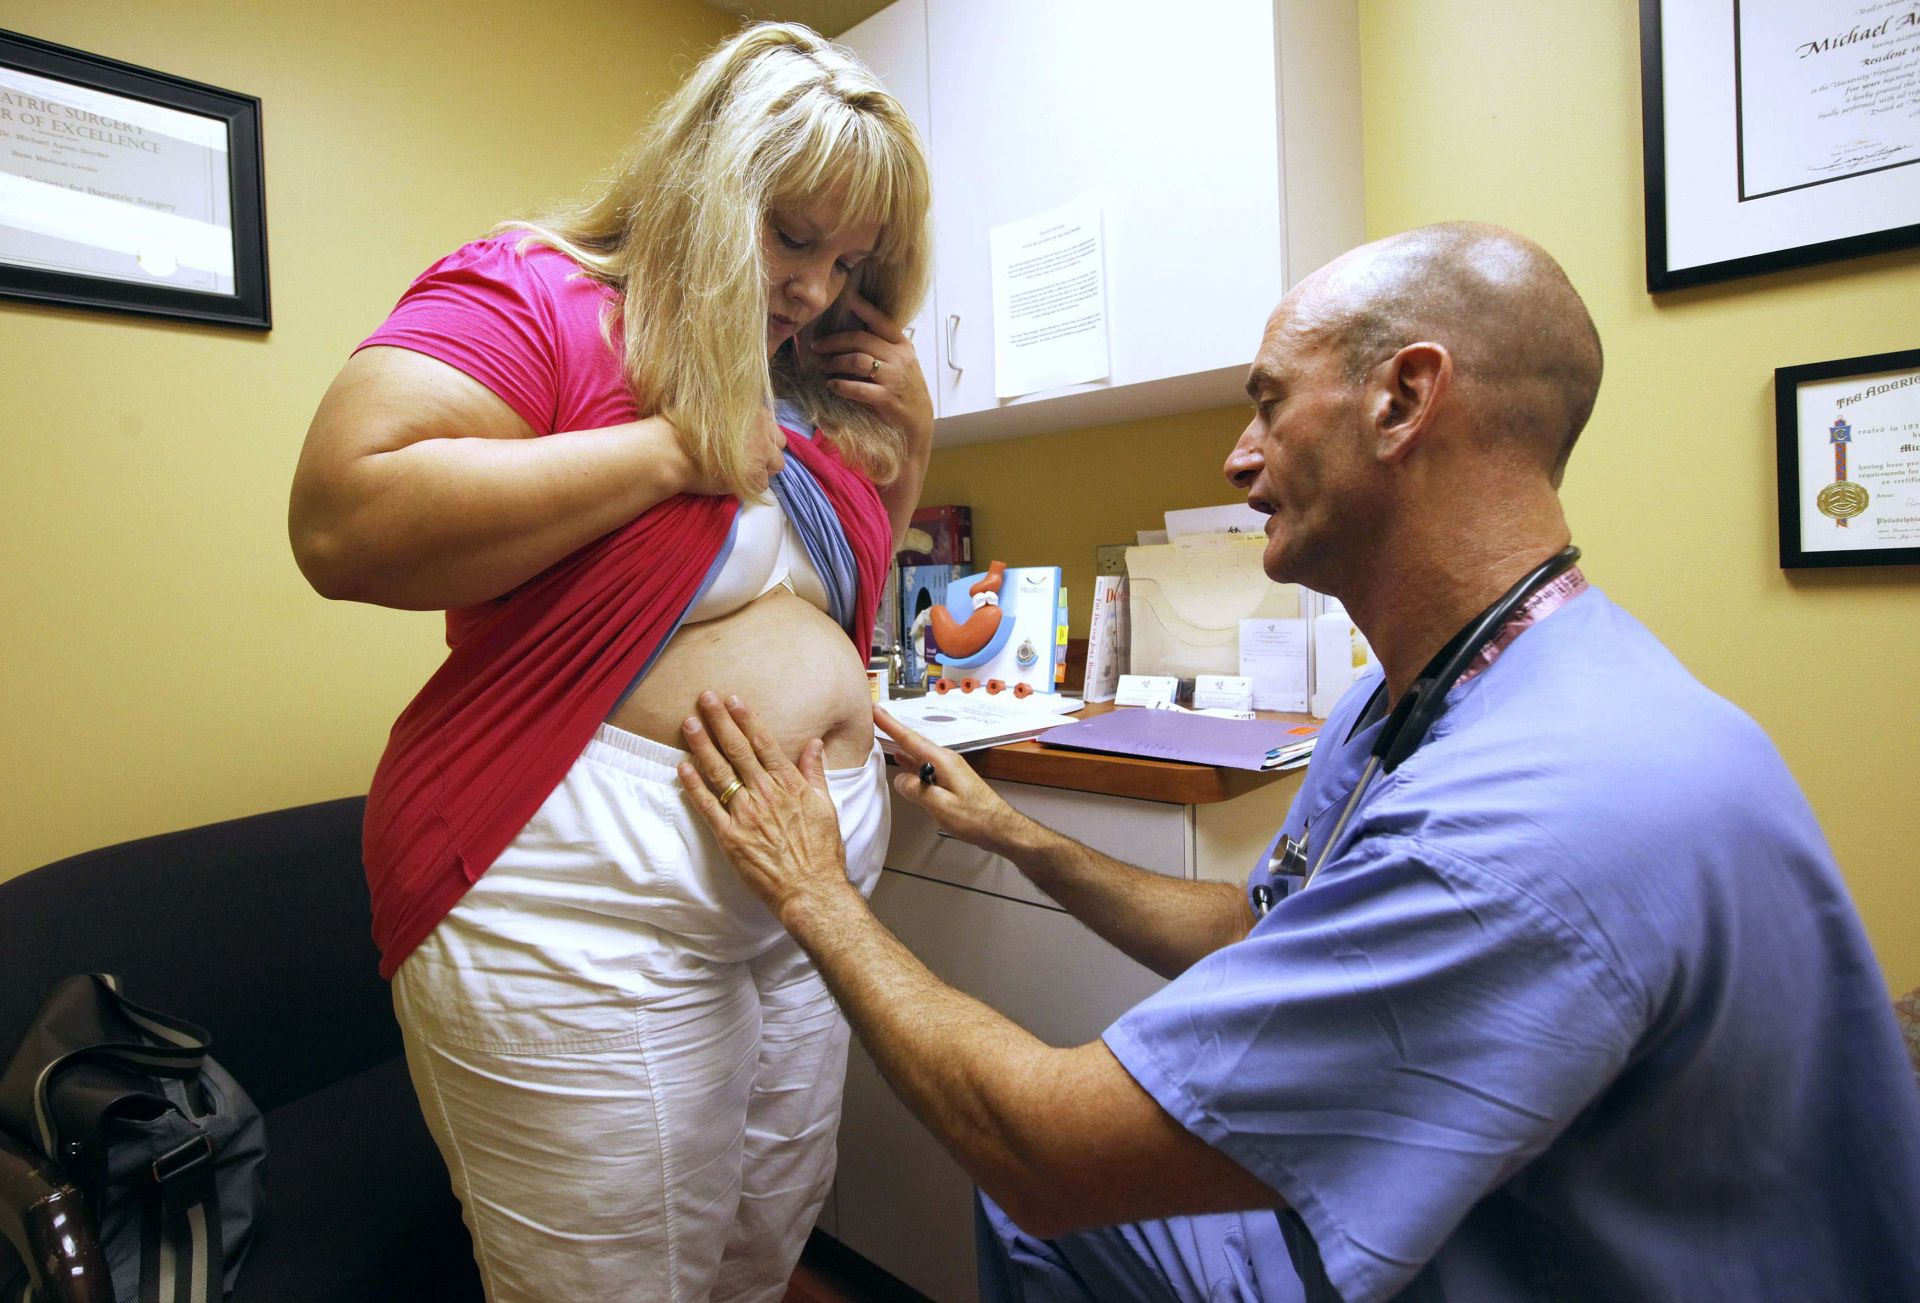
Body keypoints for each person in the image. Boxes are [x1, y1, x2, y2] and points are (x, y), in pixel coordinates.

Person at [673, 223, 1920, 1301]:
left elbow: (1045, 1150)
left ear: (1403, 398)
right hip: (1494, 1205)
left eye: (1268, 401)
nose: (1236, 455)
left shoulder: (1540, 821)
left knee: (1054, 1202)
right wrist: (1021, 838)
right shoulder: (1442, 684)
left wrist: (814, 890)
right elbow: (1262, 931)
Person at [287, 23, 932, 1302]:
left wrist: (907, 446)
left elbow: (831, 600)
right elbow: (341, 519)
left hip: (803, 911)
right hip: (578, 912)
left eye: (850, 261)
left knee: (761, 1259)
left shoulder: (802, 386)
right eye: (793, 235)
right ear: (708, 178)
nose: (814, 288)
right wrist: (670, 453)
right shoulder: (542, 293)